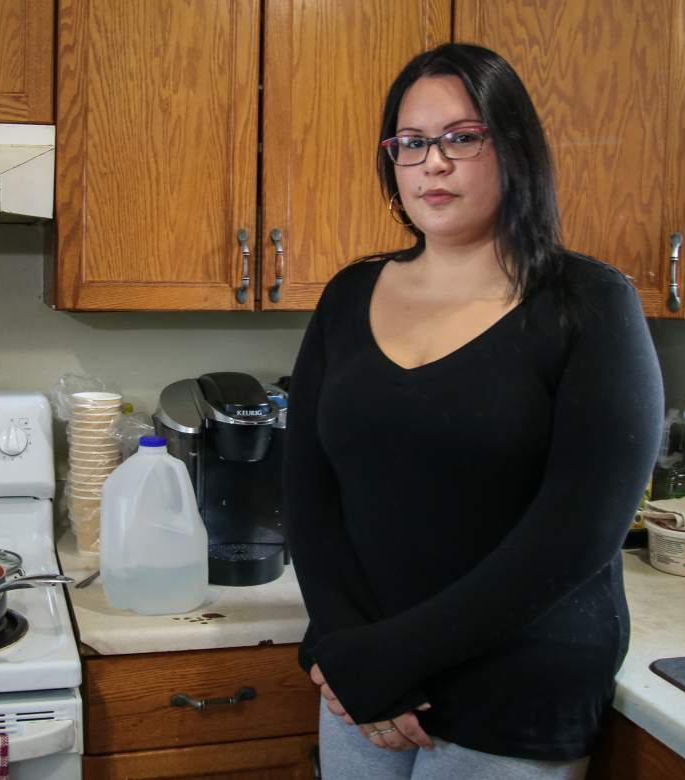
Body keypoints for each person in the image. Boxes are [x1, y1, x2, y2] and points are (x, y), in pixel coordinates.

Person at [283, 43, 664, 779]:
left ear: (514, 146)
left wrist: (388, 658)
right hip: (364, 681)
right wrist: (343, 645)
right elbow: (308, 493)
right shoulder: (348, 296)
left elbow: (578, 533)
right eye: (412, 142)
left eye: (463, 137)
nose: (434, 162)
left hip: (516, 683)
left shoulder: (589, 303)